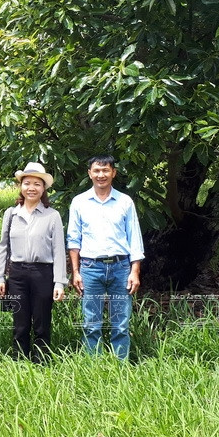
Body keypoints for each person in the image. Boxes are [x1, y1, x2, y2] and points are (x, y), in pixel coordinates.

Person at [67, 154, 144, 359]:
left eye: (106, 170)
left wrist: (134, 271)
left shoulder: (125, 202)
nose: (101, 175)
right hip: (90, 268)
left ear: (113, 173)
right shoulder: (79, 202)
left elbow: (134, 238)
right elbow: (73, 241)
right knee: (91, 323)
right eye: (97, 170)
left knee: (121, 322)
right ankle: (95, 367)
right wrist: (75, 272)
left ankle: (121, 367)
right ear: (89, 173)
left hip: (121, 268)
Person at [0, 163, 67, 361]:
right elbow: (3, 247)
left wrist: (59, 282)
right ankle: (20, 361)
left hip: (43, 273)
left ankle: (42, 361)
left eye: (37, 184)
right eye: (27, 183)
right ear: (21, 186)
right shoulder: (11, 214)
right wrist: (0, 276)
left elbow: (59, 250)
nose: (31, 188)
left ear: (43, 189)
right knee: (20, 322)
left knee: (42, 321)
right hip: (17, 274)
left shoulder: (52, 216)